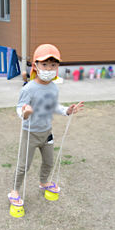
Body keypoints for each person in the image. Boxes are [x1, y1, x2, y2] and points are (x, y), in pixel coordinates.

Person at [8, 44, 84, 206]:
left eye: (53, 65)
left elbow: (53, 106)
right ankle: (14, 190)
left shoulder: (53, 88)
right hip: (30, 134)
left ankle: (43, 182)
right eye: (44, 64)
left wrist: (67, 110)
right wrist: (25, 113)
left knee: (49, 162)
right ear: (35, 65)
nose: (49, 68)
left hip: (47, 133)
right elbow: (19, 107)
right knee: (23, 166)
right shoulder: (28, 88)